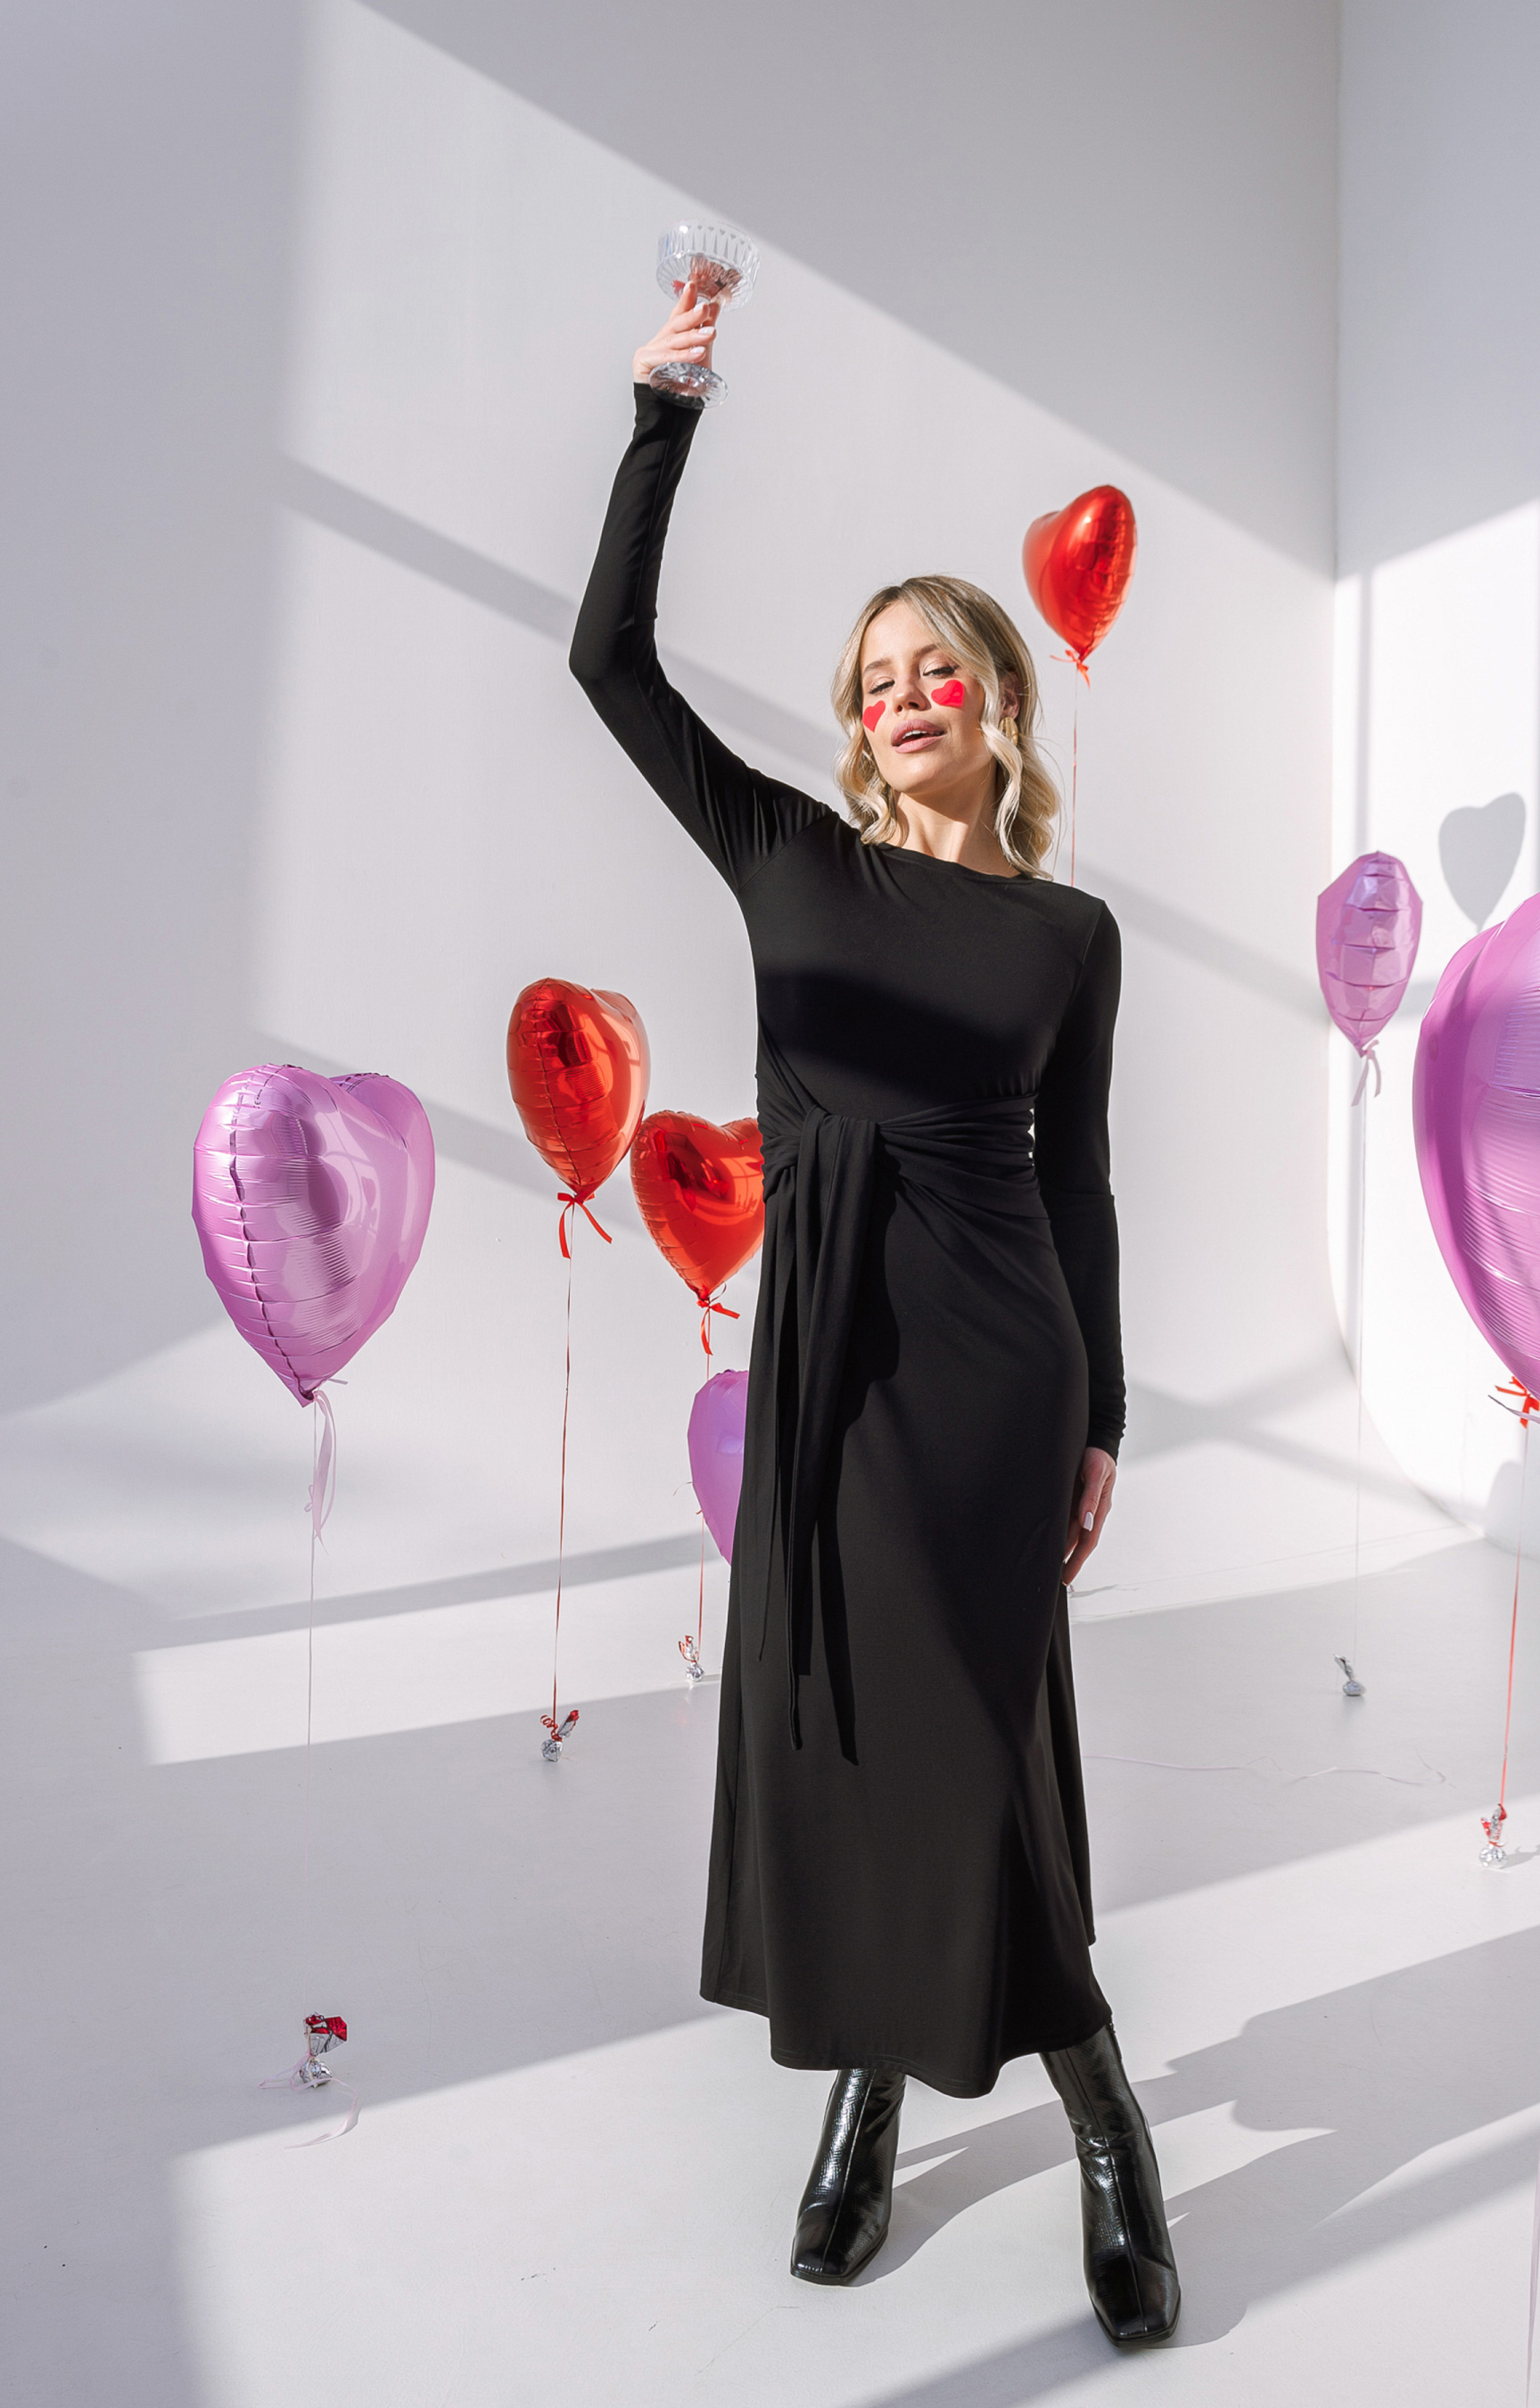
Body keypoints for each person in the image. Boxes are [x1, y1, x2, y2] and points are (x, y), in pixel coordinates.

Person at [569, 279, 1178, 2349]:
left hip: (1001, 1371)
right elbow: (608, 662)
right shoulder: (788, 859)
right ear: (856, 719)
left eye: (937, 666)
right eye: (874, 674)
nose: (904, 692)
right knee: (842, 1727)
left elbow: (1078, 1182)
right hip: (831, 1360)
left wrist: (1103, 1418)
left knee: (979, 1731)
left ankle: (1093, 2120)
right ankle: (877, 2085)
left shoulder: (1069, 935)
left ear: (997, 700)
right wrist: (664, 410)